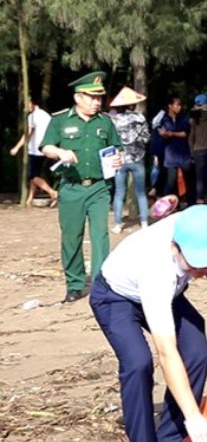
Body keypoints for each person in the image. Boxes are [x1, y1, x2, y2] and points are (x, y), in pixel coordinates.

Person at [89, 205, 207, 442]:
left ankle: (170, 441)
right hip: (117, 297)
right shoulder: (156, 269)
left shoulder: (202, 223)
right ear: (174, 248)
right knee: (138, 362)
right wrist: (195, 418)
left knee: (197, 352)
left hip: (169, 293)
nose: (200, 270)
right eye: (194, 263)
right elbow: (166, 352)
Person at [42, 72, 122, 303]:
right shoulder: (60, 120)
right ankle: (75, 284)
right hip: (71, 189)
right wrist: (59, 151)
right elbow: (46, 146)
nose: (97, 102)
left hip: (98, 188)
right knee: (71, 237)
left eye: (99, 98)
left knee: (100, 236)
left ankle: (100, 284)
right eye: (91, 97)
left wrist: (117, 159)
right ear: (78, 97)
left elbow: (116, 148)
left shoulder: (105, 122)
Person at [107, 87, 151, 234]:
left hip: (120, 159)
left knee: (119, 192)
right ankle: (144, 222)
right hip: (138, 158)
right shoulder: (140, 118)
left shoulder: (114, 120)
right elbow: (146, 138)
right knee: (141, 192)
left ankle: (118, 224)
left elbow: (110, 139)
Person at [9, 99, 58, 205]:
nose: (25, 107)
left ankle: (52, 192)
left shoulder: (32, 116)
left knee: (32, 175)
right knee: (34, 174)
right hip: (45, 148)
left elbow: (28, 134)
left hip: (35, 149)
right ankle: (30, 199)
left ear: (33, 103)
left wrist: (17, 147)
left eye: (27, 104)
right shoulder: (46, 115)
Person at [156, 95, 194, 205]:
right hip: (170, 154)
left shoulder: (183, 118)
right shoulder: (164, 119)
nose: (178, 107)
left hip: (183, 153)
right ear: (170, 106)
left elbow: (185, 133)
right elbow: (161, 134)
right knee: (171, 182)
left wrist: (172, 134)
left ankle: (191, 203)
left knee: (189, 180)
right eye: (176, 105)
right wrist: (164, 135)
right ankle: (172, 204)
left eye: (180, 105)